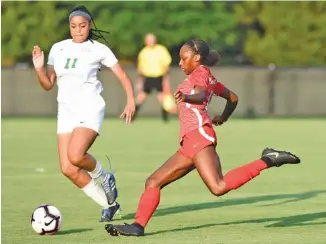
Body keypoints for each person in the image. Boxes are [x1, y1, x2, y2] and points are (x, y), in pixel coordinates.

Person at [104, 39, 301, 236]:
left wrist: (187, 97)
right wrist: (222, 117)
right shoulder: (207, 76)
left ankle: (268, 159)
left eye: (184, 58)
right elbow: (233, 98)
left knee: (218, 186)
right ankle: (138, 226)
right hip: (190, 141)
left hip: (198, 135)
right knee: (153, 181)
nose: (180, 63)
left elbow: (199, 95)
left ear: (197, 58)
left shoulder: (200, 73)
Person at [32, 5, 135, 222]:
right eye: (73, 26)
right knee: (68, 168)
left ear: (89, 26)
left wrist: (131, 101)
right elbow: (48, 85)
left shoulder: (99, 49)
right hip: (66, 110)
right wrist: (40, 68)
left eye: (82, 26)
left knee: (76, 155)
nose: (78, 30)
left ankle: (105, 178)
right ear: (69, 27)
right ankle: (110, 205)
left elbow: (123, 76)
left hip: (90, 107)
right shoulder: (58, 48)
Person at [133, 33, 173, 122]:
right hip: (148, 77)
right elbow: (140, 68)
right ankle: (132, 115)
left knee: (161, 97)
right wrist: (139, 81)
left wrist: (166, 79)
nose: (150, 41)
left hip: (159, 76)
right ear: (145, 41)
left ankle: (165, 117)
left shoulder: (161, 50)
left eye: (152, 39)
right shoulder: (143, 52)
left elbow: (166, 65)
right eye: (148, 40)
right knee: (141, 97)